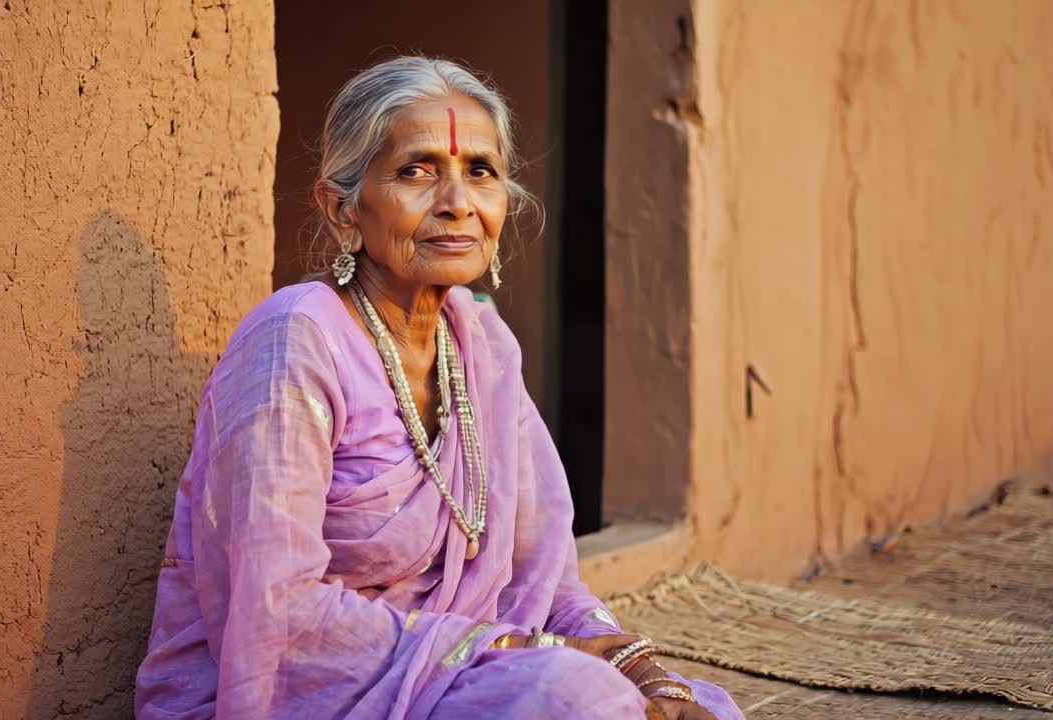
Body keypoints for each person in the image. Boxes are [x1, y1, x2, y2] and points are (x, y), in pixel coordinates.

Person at [134, 55, 744, 720]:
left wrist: (644, 670)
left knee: (694, 708)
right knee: (572, 697)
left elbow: (546, 585)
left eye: (480, 172)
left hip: (458, 676)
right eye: (417, 171)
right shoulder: (294, 341)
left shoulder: (482, 348)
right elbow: (280, 609)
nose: (457, 203)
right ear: (343, 210)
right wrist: (514, 650)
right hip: (308, 692)